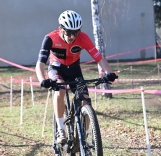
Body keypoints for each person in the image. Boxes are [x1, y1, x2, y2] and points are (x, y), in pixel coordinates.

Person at [35, 10, 117, 144]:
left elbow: (99, 58)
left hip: (74, 69)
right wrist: (42, 80)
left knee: (86, 100)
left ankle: (84, 136)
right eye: (68, 32)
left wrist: (109, 73)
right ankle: (61, 130)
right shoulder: (50, 38)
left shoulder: (83, 38)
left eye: (76, 32)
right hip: (56, 69)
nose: (72, 36)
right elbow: (40, 63)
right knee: (60, 89)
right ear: (61, 28)